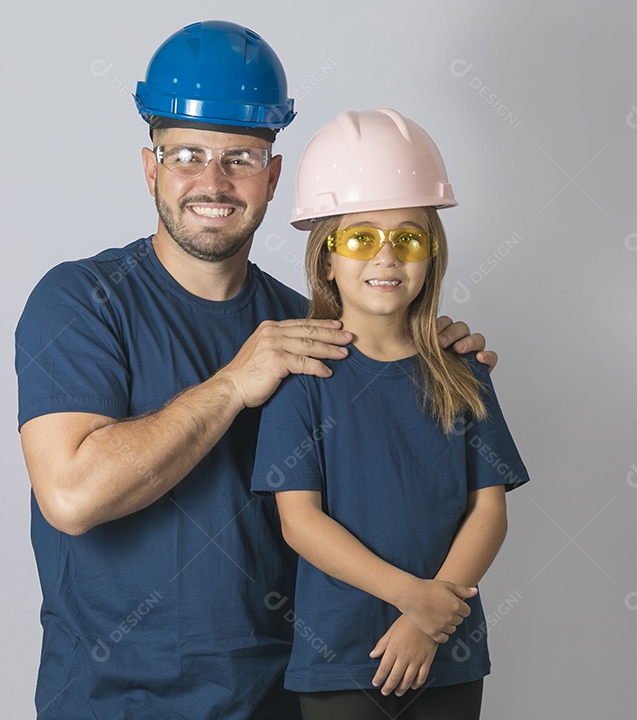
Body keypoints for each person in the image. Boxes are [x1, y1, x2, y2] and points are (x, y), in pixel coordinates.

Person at [14, 22, 493, 720]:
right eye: (186, 154)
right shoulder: (80, 303)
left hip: (283, 699)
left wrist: (425, 351)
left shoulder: (318, 332)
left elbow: (408, 489)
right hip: (115, 702)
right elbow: (73, 495)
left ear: (272, 177)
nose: (212, 181)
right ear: (150, 168)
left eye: (240, 157)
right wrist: (236, 382)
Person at [251, 108, 529, 720]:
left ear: (431, 255)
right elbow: (300, 523)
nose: (386, 257)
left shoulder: (464, 373)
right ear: (326, 258)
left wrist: (429, 624)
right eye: (360, 238)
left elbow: (489, 509)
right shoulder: (302, 380)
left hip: (449, 655)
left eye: (408, 238)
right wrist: (412, 601)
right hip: (341, 659)